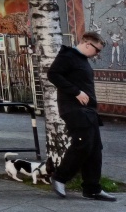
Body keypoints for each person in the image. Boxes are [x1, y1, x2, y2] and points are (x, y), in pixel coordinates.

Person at [47, 31, 117, 201]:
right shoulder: (68, 56)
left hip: (88, 111)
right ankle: (59, 177)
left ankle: (92, 188)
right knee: (83, 144)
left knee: (95, 149)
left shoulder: (82, 60)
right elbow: (53, 74)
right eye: (97, 50)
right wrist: (76, 91)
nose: (97, 54)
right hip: (74, 110)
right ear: (87, 44)